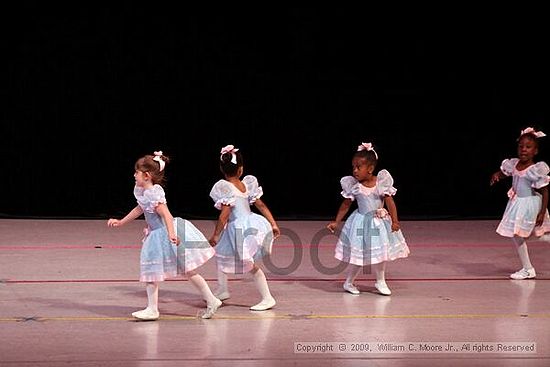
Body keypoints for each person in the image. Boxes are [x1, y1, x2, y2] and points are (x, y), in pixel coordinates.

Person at [107, 151, 222, 320]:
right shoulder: (142, 191)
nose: (134, 175)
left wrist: (172, 234)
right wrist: (121, 221)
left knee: (182, 270)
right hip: (156, 234)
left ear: (146, 175)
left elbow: (167, 215)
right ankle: (154, 308)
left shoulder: (154, 193)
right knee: (163, 272)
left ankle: (210, 299)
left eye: (136, 172)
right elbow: (140, 208)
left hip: (164, 234)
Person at [327, 142, 410, 296]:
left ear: (370, 169)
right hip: (360, 223)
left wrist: (395, 221)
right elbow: (345, 205)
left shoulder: (380, 183)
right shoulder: (355, 186)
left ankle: (380, 281)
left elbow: (390, 203)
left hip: (379, 223)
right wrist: (336, 221)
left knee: (381, 253)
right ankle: (349, 282)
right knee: (360, 256)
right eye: (353, 167)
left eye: (359, 167)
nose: (355, 170)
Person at [208, 144, 280, 311]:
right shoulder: (246, 184)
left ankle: (268, 297)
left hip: (239, 229)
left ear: (221, 168)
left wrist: (216, 235)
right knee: (221, 254)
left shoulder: (225, 188)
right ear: (241, 169)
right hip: (248, 224)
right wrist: (273, 224)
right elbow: (261, 205)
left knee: (249, 265)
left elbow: (224, 215)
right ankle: (223, 289)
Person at [490, 127, 550, 279]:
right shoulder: (515, 164)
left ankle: (528, 269)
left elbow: (545, 191)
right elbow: (506, 173)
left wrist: (542, 212)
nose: (523, 150)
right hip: (517, 204)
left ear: (535, 151)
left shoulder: (534, 169)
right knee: (529, 235)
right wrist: (498, 175)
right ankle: (527, 268)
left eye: (528, 147)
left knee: (519, 235)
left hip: (529, 205)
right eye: (521, 146)